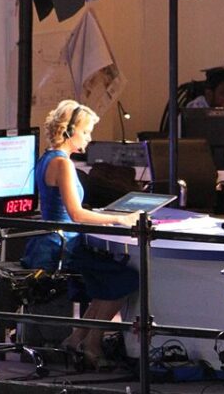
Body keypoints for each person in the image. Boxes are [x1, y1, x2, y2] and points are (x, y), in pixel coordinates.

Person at [24, 100, 139, 369]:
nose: (89, 138)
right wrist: (119, 218)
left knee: (106, 281)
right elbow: (76, 215)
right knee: (125, 278)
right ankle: (92, 343)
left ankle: (77, 338)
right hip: (61, 246)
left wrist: (102, 216)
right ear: (69, 131)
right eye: (85, 132)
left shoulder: (48, 158)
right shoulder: (63, 165)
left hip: (55, 241)